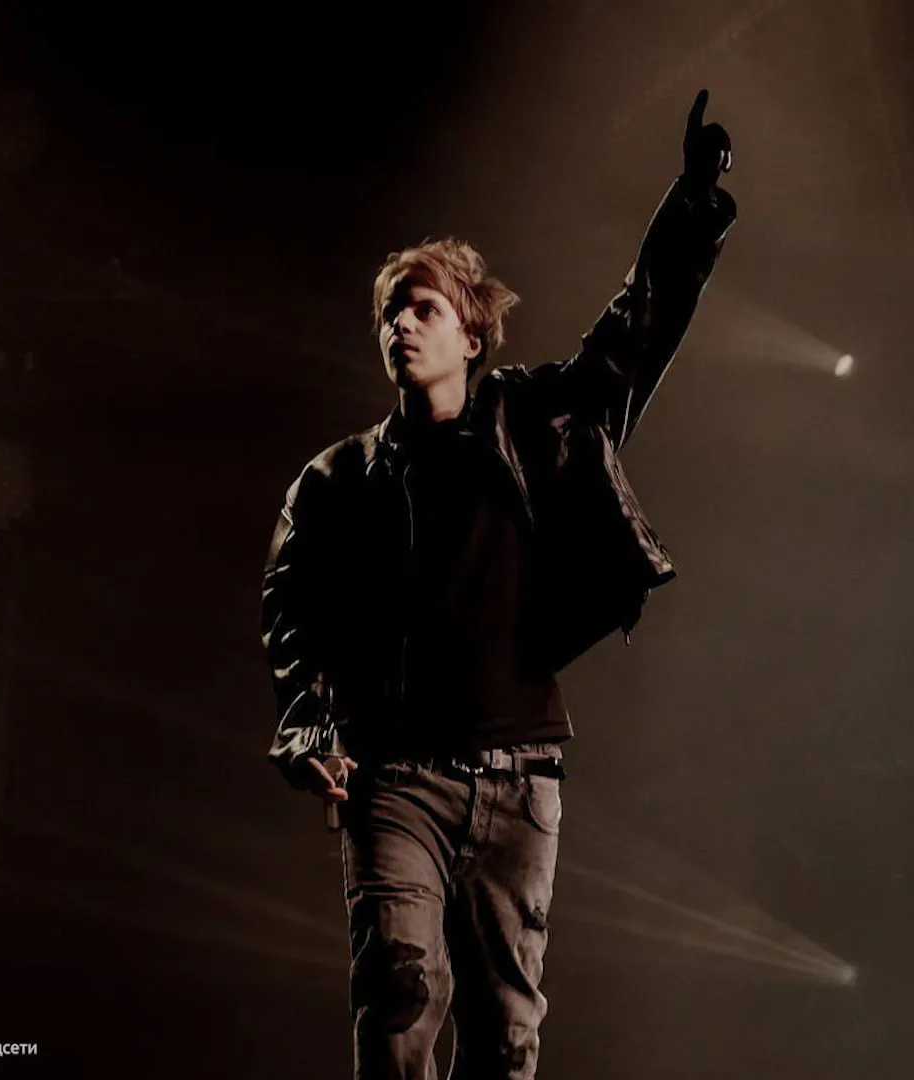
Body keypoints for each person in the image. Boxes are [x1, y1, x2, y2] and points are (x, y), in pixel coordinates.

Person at [261, 90, 736, 1080]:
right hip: (396, 782)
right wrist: (306, 721)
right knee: (399, 994)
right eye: (390, 311)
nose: (401, 323)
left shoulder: (538, 422)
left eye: (424, 307)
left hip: (521, 779)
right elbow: (291, 610)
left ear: (471, 335)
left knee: (507, 1039)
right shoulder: (336, 481)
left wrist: (691, 207)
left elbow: (636, 332)